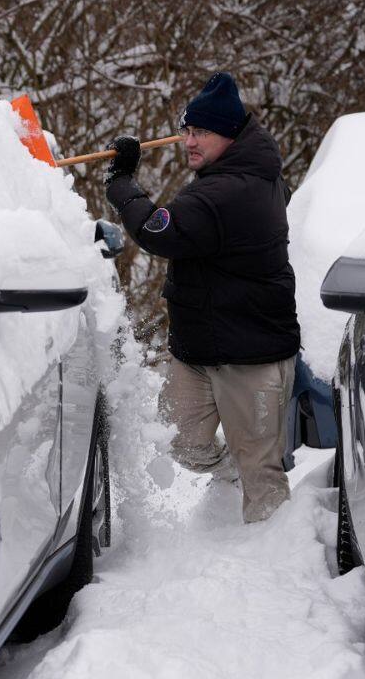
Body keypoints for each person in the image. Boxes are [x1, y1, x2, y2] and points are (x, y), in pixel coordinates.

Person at [104, 72, 301, 523]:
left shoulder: (230, 190)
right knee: (181, 442)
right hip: (199, 349)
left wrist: (121, 182)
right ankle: (232, 471)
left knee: (262, 477)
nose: (189, 142)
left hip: (252, 356)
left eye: (203, 133)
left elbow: (160, 230)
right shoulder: (237, 175)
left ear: (230, 136)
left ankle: (271, 566)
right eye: (188, 130)